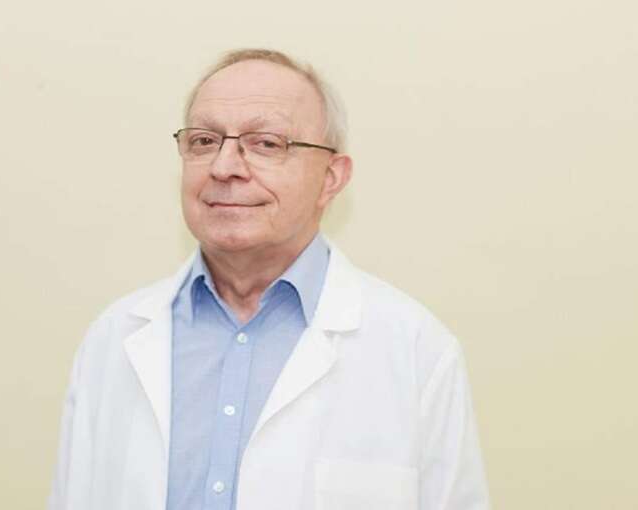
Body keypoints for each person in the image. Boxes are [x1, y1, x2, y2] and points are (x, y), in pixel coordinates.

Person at [48, 48, 491, 510]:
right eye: (204, 141)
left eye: (266, 144)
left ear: (331, 178)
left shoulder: (418, 350)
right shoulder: (112, 339)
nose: (224, 167)